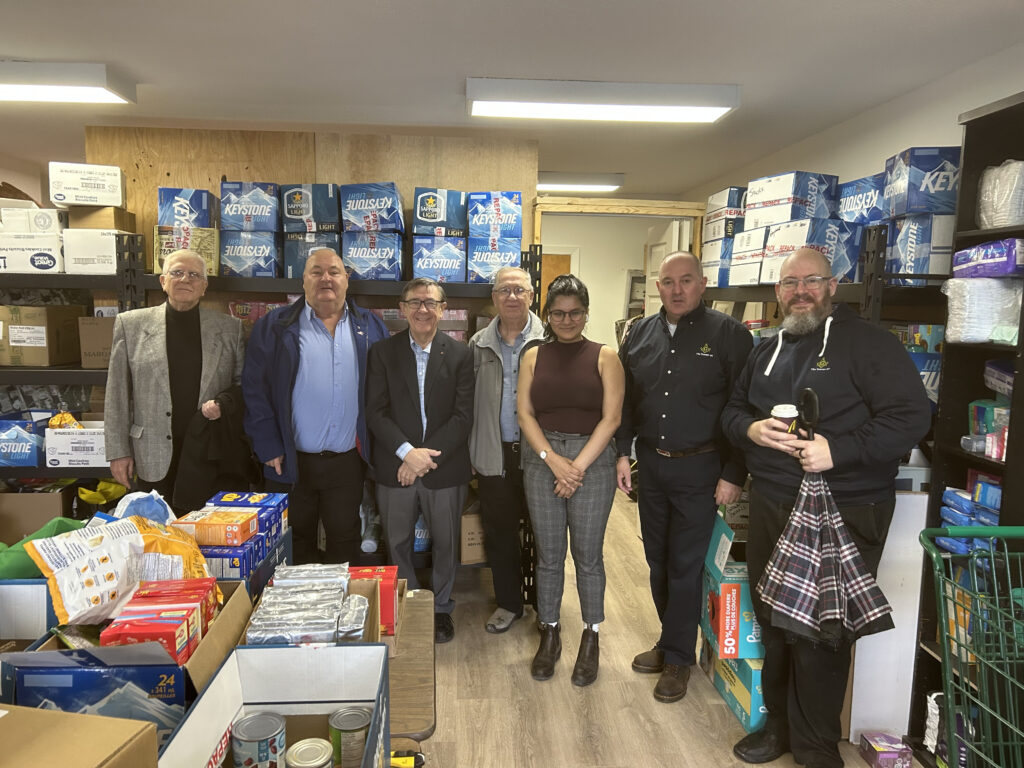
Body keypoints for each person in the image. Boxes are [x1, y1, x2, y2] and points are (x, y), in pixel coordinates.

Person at [721, 247, 930, 768]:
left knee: (822, 633)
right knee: (773, 619)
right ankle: (779, 728)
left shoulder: (869, 345)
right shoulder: (765, 348)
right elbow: (731, 411)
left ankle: (816, 749)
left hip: (845, 507)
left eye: (811, 281)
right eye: (789, 284)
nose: (800, 292)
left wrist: (838, 450)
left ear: (833, 285)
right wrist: (750, 428)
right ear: (777, 293)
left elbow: (912, 417)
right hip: (773, 502)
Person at [615, 251, 752, 703]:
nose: (677, 290)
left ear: (703, 284)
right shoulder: (638, 334)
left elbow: (742, 408)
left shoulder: (731, 336)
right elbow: (627, 402)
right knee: (656, 560)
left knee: (685, 565)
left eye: (686, 280)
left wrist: (734, 471)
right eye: (668, 282)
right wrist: (622, 453)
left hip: (702, 468)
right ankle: (670, 638)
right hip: (651, 465)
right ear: (657, 286)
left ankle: (678, 657)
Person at [242, 248, 388, 565]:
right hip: (290, 462)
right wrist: (267, 445)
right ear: (304, 281)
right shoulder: (274, 326)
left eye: (334, 271)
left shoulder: (370, 327)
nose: (326, 278)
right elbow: (254, 390)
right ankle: (303, 611)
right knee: (295, 539)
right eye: (316, 271)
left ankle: (339, 608)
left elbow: (384, 392)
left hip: (348, 461)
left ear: (346, 279)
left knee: (345, 536)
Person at [517, 274, 624, 686]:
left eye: (575, 312)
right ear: (546, 315)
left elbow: (612, 418)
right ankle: (550, 631)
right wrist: (552, 459)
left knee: (588, 555)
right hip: (544, 460)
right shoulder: (532, 357)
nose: (566, 320)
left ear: (586, 313)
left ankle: (591, 634)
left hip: (592, 462)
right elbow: (525, 414)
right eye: (558, 313)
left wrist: (574, 466)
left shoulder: (605, 357)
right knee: (548, 555)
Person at [366, 278, 474, 644]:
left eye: (431, 303)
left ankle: (441, 608)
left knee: (447, 543)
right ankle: (411, 605)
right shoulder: (382, 352)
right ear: (402, 308)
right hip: (395, 466)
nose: (423, 309)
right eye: (415, 302)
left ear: (443, 309)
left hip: (443, 469)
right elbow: (375, 412)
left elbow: (463, 417)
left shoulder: (461, 355)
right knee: (396, 542)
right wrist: (406, 453)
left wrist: (422, 459)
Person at [105, 249, 246, 510]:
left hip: (208, 455)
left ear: (204, 286)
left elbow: (242, 385)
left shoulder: (229, 328)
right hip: (151, 454)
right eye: (177, 272)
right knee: (157, 538)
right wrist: (118, 452)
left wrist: (223, 404)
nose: (185, 279)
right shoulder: (131, 325)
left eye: (194, 275)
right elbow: (117, 393)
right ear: (163, 281)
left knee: (206, 536)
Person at [468, 266, 546, 634]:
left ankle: (549, 608)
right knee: (499, 532)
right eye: (504, 290)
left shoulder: (551, 341)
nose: (512, 297)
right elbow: (466, 403)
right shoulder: (477, 344)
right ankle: (510, 604)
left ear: (532, 296)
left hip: (542, 456)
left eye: (519, 290)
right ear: (494, 297)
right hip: (494, 453)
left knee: (547, 532)